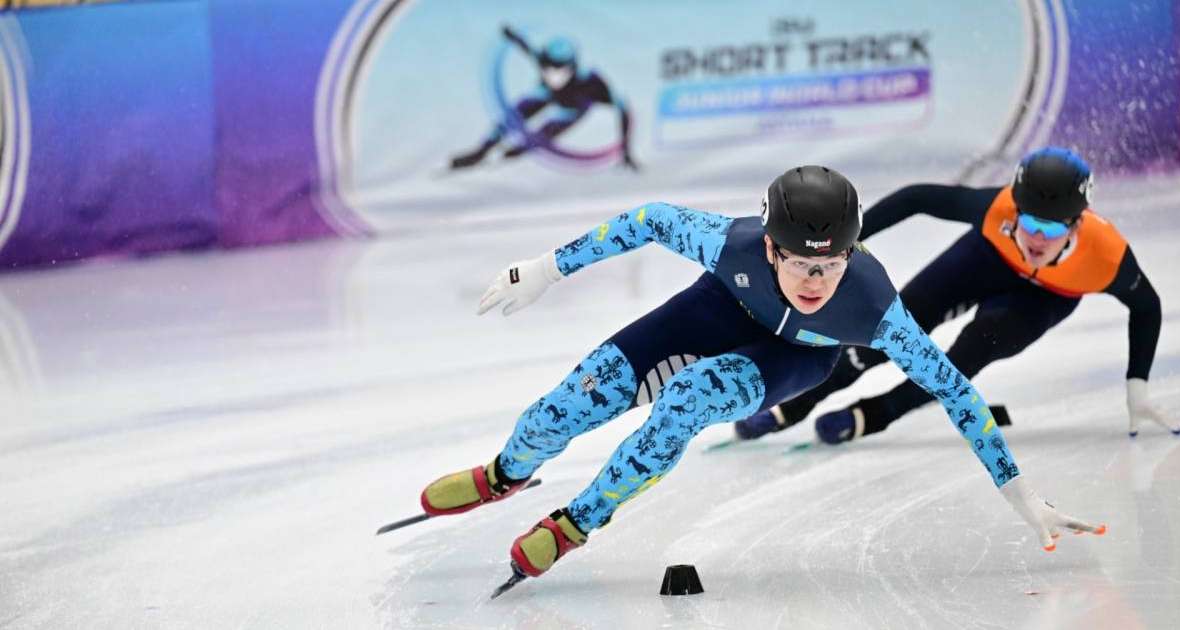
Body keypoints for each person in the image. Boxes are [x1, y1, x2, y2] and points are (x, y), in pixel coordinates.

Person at [418, 165, 1102, 586]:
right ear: (768, 245)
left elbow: (956, 391)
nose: (815, 281)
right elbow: (647, 219)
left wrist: (1016, 490)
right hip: (716, 310)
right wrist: (543, 269)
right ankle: (506, 473)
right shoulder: (727, 242)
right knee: (563, 408)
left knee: (684, 402)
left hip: (793, 358)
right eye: (801, 263)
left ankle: (576, 522)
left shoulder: (874, 309)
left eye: (830, 264)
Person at [733, 148, 1180, 445]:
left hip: (1047, 296)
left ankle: (878, 413)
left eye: (1049, 229)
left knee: (971, 351)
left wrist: (1138, 385)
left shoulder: (1106, 256)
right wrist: (845, 243)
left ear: (1075, 225)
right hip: (985, 257)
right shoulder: (998, 211)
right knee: (889, 330)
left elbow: (1146, 307)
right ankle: (794, 405)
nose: (1034, 237)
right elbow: (915, 198)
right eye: (1028, 221)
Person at [448, 24, 637, 170]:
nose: (551, 73)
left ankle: (525, 147)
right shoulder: (543, 61)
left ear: (572, 66)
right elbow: (527, 47)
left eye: (558, 68)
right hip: (548, 95)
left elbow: (623, 108)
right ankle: (482, 150)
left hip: (573, 108)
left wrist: (625, 151)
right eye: (547, 67)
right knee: (513, 115)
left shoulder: (592, 83)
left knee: (548, 129)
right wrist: (512, 35)